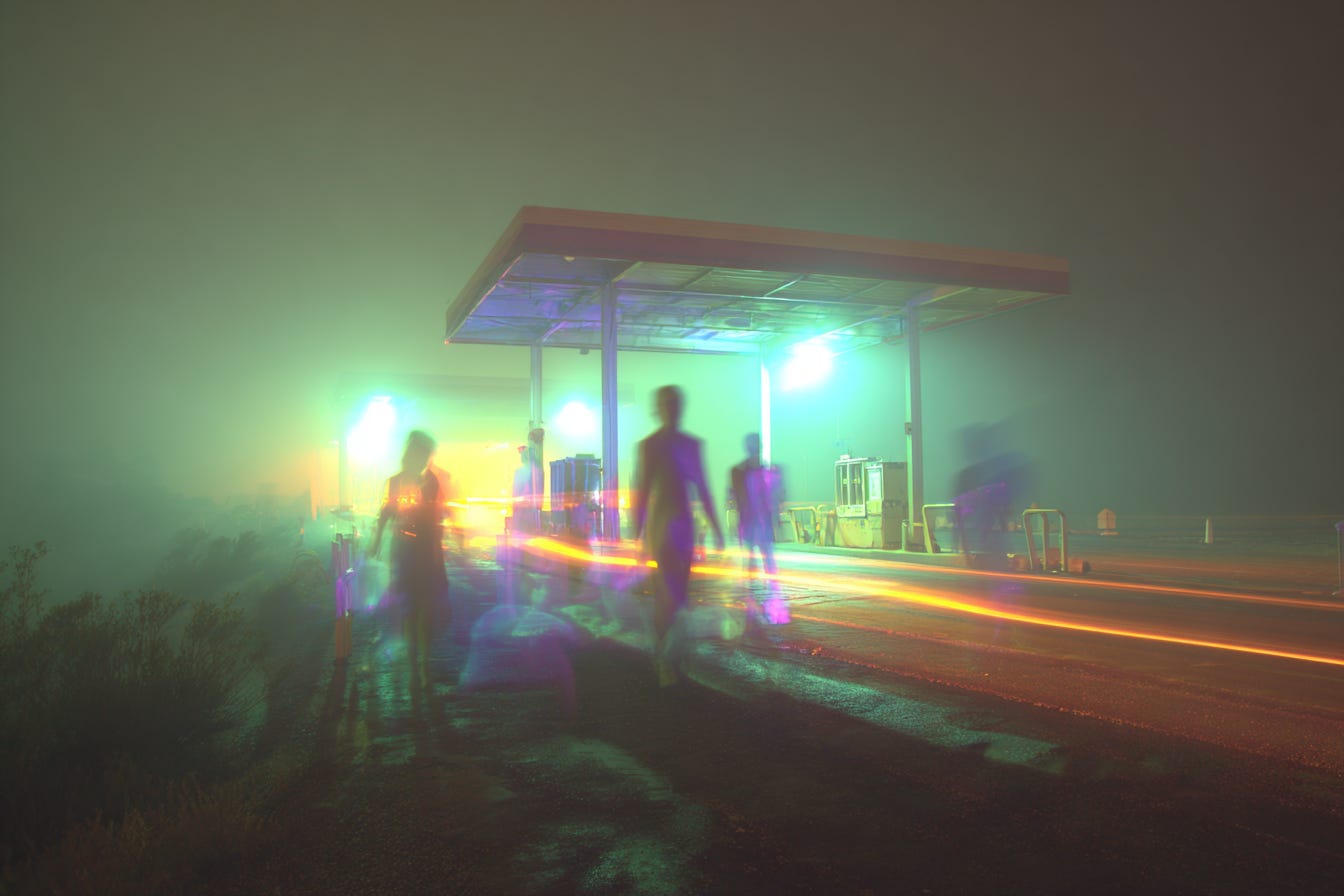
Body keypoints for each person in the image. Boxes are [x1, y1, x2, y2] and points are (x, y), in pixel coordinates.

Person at [632, 386, 725, 686]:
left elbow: (702, 486)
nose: (672, 408)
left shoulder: (676, 445)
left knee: (679, 593)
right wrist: (638, 534)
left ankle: (668, 653)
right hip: (667, 526)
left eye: (675, 403)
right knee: (668, 592)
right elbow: (643, 490)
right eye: (668, 404)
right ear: (660, 409)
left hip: (676, 524)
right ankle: (665, 656)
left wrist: (716, 527)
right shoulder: (657, 445)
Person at [369, 430, 450, 692]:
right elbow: (386, 513)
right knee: (412, 609)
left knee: (422, 609)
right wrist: (375, 542)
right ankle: (417, 666)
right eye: (422, 454)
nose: (425, 459)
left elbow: (435, 518)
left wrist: (439, 555)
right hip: (406, 554)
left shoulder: (430, 482)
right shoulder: (397, 482)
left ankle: (421, 664)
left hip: (424, 554)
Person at [730, 432, 787, 624]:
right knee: (761, 560)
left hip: (755, 524)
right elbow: (772, 499)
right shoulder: (761, 472)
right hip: (755, 523)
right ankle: (761, 600)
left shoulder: (742, 471)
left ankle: (755, 601)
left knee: (756, 561)